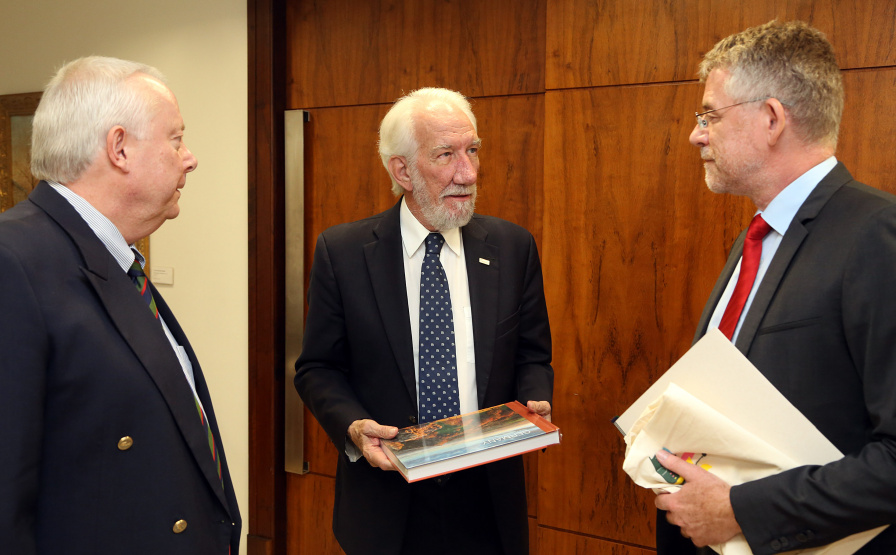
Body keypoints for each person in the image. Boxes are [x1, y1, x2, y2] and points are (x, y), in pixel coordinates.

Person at [653, 20, 896, 554]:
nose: (696, 134)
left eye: (709, 115)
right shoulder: (757, 237)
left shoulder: (880, 235)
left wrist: (738, 511)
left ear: (771, 119)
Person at [295, 87, 553, 555]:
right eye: (446, 155)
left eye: (472, 150)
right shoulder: (344, 253)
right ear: (402, 170)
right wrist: (353, 426)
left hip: (487, 502)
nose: (468, 173)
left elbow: (534, 353)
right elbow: (317, 369)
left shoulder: (513, 247)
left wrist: (537, 398)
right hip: (386, 502)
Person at [0, 56, 241, 554]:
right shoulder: (14, 263)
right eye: (175, 139)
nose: (189, 157)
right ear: (119, 149)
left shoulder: (105, 255)